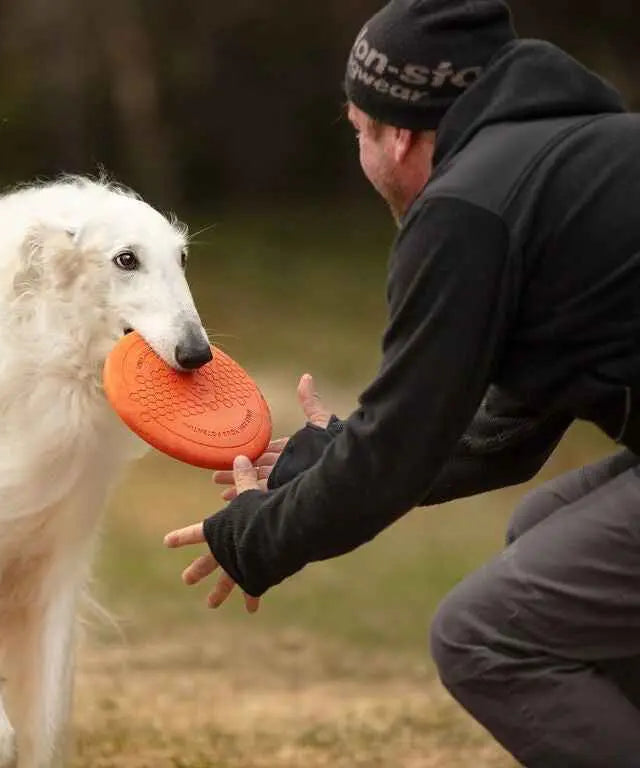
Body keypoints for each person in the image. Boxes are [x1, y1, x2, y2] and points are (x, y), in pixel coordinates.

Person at [163, 1, 640, 765]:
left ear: (403, 133)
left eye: (358, 131)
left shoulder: (467, 209)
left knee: (482, 636)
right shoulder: (567, 162)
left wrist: (256, 536)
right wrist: (324, 457)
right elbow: (499, 435)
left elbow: (399, 452)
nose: (361, 156)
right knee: (541, 530)